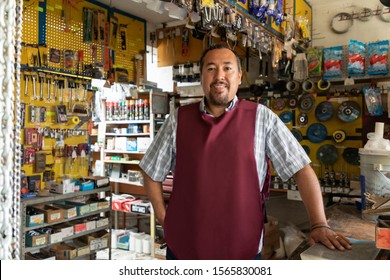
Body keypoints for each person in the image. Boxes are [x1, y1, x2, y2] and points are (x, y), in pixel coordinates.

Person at [139, 43, 352, 260]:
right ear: (201, 76)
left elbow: (301, 168)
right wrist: (164, 217)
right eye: (211, 68)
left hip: (242, 247)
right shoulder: (178, 119)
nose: (219, 76)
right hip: (185, 247)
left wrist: (318, 224)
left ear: (239, 76)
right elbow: (150, 171)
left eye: (227, 68)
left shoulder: (262, 118)